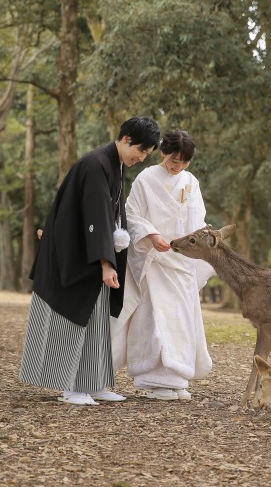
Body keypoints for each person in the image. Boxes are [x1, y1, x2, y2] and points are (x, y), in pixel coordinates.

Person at [18, 117, 161, 405]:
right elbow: (95, 218)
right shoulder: (96, 164)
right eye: (142, 151)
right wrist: (106, 263)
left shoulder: (113, 165)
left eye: (147, 155)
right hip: (74, 256)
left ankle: (93, 383)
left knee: (96, 321)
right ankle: (70, 387)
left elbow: (110, 216)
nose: (142, 158)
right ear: (127, 139)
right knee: (71, 318)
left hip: (89, 255)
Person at [111, 129, 215, 401]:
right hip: (154, 259)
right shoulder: (146, 178)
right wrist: (151, 235)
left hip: (181, 260)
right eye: (172, 160)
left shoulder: (191, 182)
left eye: (182, 162)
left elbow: (197, 219)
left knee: (180, 317)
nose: (175, 166)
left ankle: (177, 377)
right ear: (163, 153)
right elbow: (130, 214)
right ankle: (151, 378)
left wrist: (200, 244)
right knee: (153, 318)